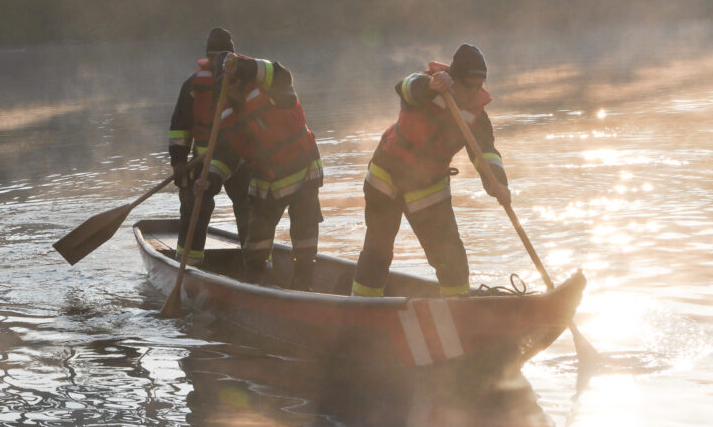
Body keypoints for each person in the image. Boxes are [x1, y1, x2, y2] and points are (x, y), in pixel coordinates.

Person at [351, 44, 510, 298]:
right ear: (455, 78)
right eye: (468, 84)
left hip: (428, 186)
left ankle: (458, 312)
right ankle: (362, 310)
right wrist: (430, 87)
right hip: (386, 179)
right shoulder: (425, 85)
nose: (473, 91)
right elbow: (403, 87)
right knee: (378, 252)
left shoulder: (477, 117)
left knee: (452, 260)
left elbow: (486, 153)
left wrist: (498, 184)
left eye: (478, 85)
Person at [201, 50, 324, 289]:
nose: (232, 89)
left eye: (235, 82)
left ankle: (303, 283)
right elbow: (227, 156)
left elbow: (279, 72)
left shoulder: (276, 90)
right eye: (226, 86)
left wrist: (242, 66)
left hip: (303, 174)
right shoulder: (226, 116)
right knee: (256, 243)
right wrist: (211, 181)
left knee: (304, 235)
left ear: (243, 78)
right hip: (266, 183)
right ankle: (254, 283)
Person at [168, 27, 251, 265]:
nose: (219, 62)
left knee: (249, 209)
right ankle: (189, 266)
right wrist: (179, 162)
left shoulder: (241, 85)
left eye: (223, 57)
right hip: (203, 162)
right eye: (216, 57)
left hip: (239, 160)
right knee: (196, 208)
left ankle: (256, 264)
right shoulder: (193, 86)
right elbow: (179, 129)